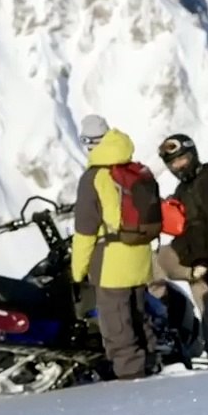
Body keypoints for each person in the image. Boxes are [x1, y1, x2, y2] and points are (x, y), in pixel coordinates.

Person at [71, 126, 158, 381]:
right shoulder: (134, 169)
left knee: (116, 321)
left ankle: (130, 374)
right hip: (140, 255)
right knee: (138, 314)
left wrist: (77, 271)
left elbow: (85, 231)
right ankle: (151, 361)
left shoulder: (94, 177)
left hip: (112, 260)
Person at [151, 133, 208, 367]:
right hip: (187, 254)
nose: (179, 166)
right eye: (173, 163)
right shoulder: (185, 186)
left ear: (193, 155)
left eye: (182, 159)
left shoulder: (207, 183)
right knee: (151, 267)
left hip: (202, 258)